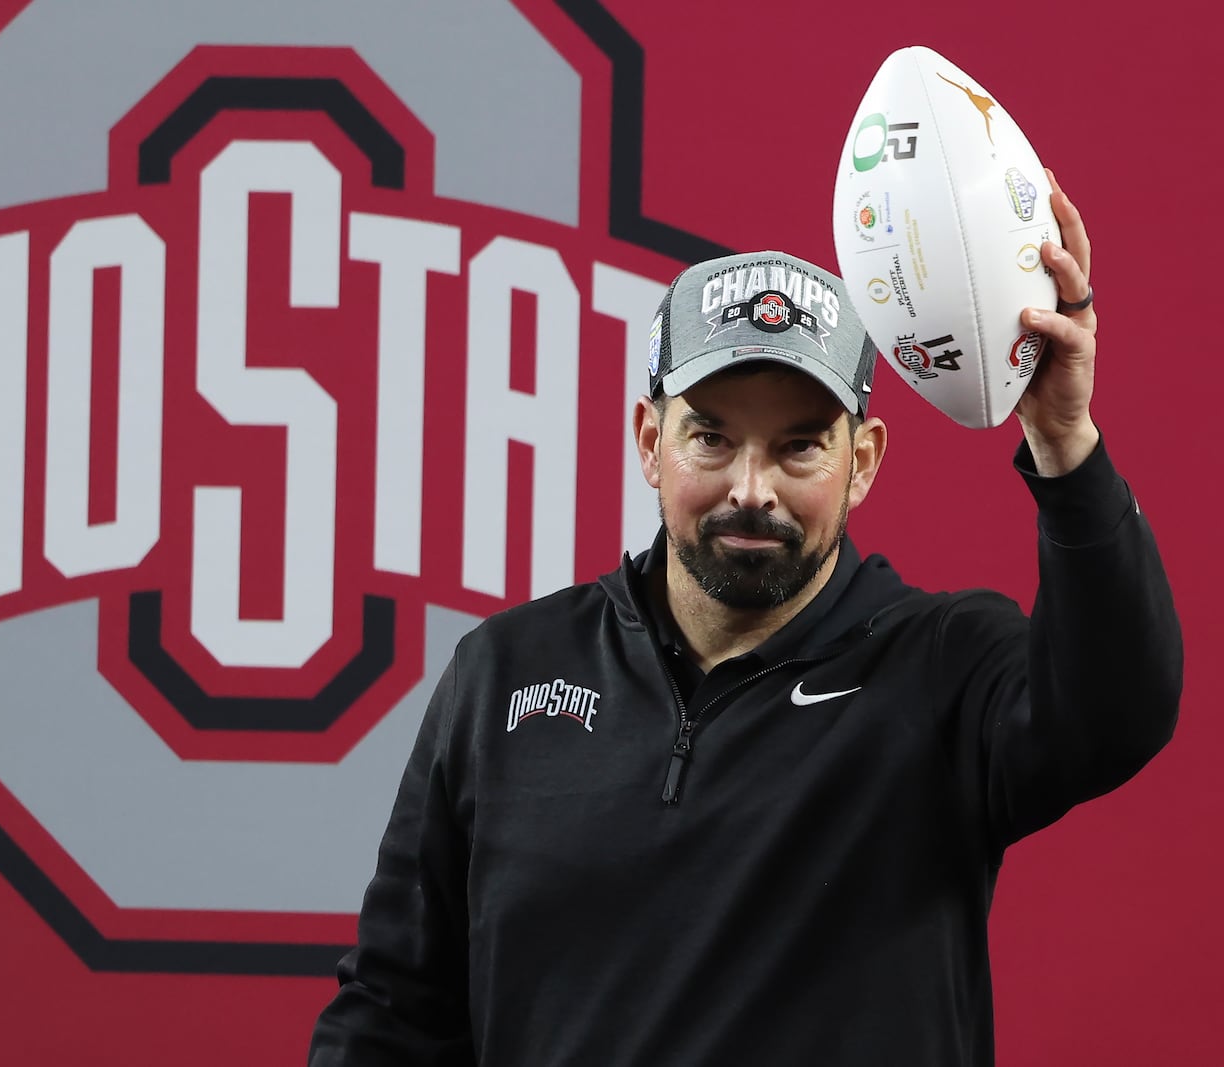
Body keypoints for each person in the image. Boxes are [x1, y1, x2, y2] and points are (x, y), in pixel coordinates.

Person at [306, 172, 1181, 1066]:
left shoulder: (943, 668)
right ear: (651, 441)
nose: (750, 490)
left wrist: (1065, 441)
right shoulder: (506, 674)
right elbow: (393, 1010)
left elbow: (1120, 711)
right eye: (712, 437)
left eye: (800, 444)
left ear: (863, 461)